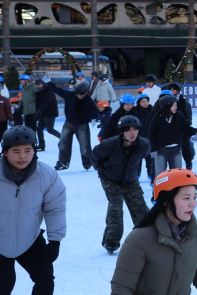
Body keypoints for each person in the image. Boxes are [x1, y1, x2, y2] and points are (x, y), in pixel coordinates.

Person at [0, 125, 67, 295]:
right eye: (16, 151)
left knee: (45, 277)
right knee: (3, 284)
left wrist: (55, 240)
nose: (23, 156)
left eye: (28, 150)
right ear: (5, 152)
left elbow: (55, 208)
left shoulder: (46, 175)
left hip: (29, 238)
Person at [93, 115, 151, 254]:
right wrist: (103, 170)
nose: (132, 133)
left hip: (130, 180)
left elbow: (144, 155)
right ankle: (111, 241)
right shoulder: (110, 144)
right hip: (110, 179)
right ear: (121, 132)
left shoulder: (143, 144)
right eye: (128, 130)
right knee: (116, 207)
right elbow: (95, 156)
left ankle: (148, 238)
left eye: (135, 129)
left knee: (140, 208)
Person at [47, 80, 100, 171]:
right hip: (69, 123)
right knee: (63, 143)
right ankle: (63, 162)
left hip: (82, 125)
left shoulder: (88, 100)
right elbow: (57, 90)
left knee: (85, 146)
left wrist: (94, 119)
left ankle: (88, 162)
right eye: (78, 94)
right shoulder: (69, 95)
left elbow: (94, 112)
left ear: (86, 93)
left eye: (82, 94)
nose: (80, 96)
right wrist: (48, 82)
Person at [147, 94, 189, 177]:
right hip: (160, 151)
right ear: (167, 106)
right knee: (160, 175)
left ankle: (177, 190)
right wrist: (153, 149)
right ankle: (158, 190)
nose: (176, 107)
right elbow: (151, 134)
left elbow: (186, 127)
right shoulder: (157, 118)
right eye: (173, 105)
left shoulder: (179, 115)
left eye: (176, 105)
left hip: (176, 150)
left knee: (177, 175)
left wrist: (194, 133)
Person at [164, 82, 196, 170]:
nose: (172, 91)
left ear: (178, 91)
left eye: (174, 90)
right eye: (170, 89)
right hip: (171, 128)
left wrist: (186, 125)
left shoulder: (183, 101)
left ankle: (188, 162)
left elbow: (188, 115)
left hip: (182, 127)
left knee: (186, 146)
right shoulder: (167, 100)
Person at [34, 77, 60, 151]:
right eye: (36, 84)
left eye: (38, 84)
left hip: (50, 113)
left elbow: (47, 102)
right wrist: (37, 112)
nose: (37, 86)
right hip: (43, 113)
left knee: (50, 129)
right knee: (39, 129)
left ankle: (64, 139)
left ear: (43, 84)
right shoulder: (39, 92)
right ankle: (41, 145)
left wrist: (39, 111)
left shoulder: (49, 91)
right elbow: (38, 104)